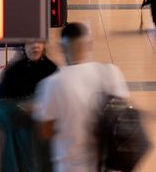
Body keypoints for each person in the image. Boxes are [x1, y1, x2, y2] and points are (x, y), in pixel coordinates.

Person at [33, 23, 129, 172]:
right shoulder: (111, 73)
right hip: (108, 165)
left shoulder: (53, 84)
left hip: (69, 167)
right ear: (89, 45)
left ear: (62, 48)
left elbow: (46, 132)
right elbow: (124, 117)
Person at [0, 42, 58, 172]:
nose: (35, 46)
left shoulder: (52, 70)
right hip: (20, 142)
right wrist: (23, 109)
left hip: (44, 142)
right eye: (30, 42)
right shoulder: (13, 72)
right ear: (23, 46)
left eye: (38, 42)